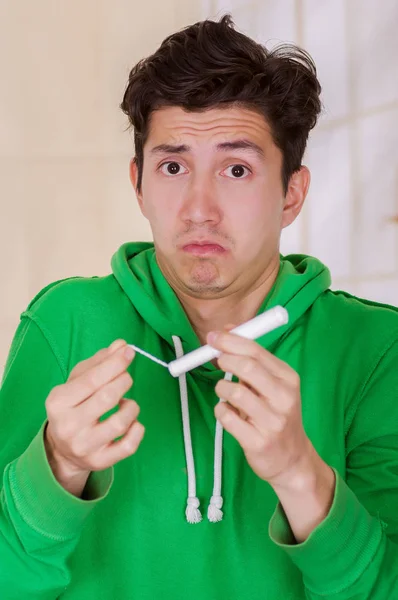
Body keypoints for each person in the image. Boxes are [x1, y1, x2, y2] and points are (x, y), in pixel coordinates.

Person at [0, 14, 397, 600]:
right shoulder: (66, 322)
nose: (198, 208)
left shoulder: (375, 347)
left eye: (236, 169)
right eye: (173, 166)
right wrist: (55, 466)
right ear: (138, 184)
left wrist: (299, 474)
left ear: (292, 194)